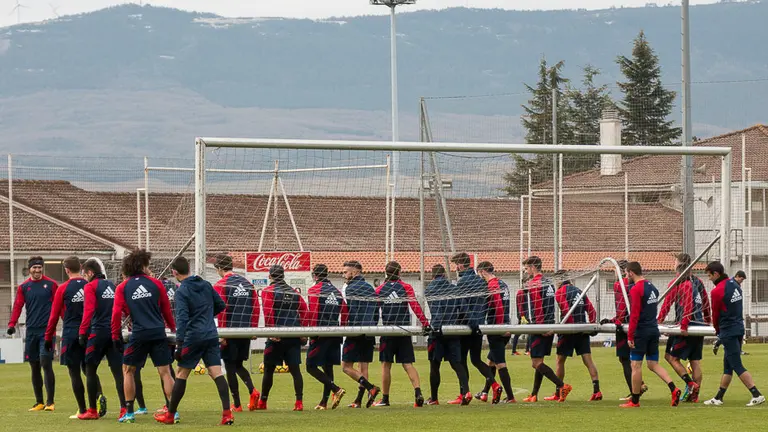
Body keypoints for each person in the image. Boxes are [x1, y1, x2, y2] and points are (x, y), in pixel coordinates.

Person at [154, 257, 234, 425]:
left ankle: (170, 415)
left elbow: (182, 319)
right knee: (216, 373)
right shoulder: (205, 284)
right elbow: (220, 305)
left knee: (181, 374)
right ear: (188, 269)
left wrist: (179, 344)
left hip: (194, 337)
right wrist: (205, 317)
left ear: (175, 272)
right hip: (211, 334)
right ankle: (227, 414)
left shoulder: (182, 291)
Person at [110, 249, 176, 424]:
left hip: (139, 334)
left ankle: (130, 412)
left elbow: (116, 313)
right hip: (158, 332)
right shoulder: (156, 284)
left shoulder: (122, 287)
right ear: (142, 265)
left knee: (128, 371)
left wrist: (115, 335)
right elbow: (166, 310)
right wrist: (173, 329)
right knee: (165, 372)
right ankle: (173, 411)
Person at [703, 262, 764, 407]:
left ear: (716, 274)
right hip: (738, 327)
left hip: (728, 330)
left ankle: (756, 394)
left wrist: (718, 332)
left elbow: (715, 314)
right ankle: (719, 397)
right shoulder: (735, 284)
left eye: (709, 275)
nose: (709, 278)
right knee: (728, 366)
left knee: (736, 364)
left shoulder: (717, 291)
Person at [621, 261, 681, 408]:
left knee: (635, 365)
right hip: (654, 330)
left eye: (626, 273)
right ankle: (674, 388)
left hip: (642, 331)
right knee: (653, 364)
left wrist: (630, 335)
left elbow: (634, 314)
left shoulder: (636, 289)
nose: (625, 276)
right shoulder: (652, 287)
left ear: (631, 272)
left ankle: (634, 401)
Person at [372, 261, 431, 408]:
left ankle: (385, 399)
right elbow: (415, 306)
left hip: (387, 331)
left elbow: (374, 311)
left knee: (386, 365)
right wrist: (425, 323)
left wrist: (371, 328)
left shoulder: (379, 290)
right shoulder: (406, 287)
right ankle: (418, 392)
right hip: (403, 331)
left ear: (386, 273)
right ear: (399, 273)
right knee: (407, 364)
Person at [657, 253, 710, 403]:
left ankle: (690, 384)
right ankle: (694, 395)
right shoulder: (698, 282)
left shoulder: (677, 283)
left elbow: (667, 304)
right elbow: (706, 302)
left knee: (672, 358)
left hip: (686, 325)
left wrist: (659, 322)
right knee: (694, 361)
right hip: (698, 325)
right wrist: (708, 321)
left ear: (679, 264)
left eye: (675, 262)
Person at [8, 256, 59, 412]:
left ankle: (50, 402)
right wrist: (11, 324)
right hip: (31, 331)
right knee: (34, 366)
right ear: (29, 269)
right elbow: (17, 306)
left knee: (46, 363)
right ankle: (39, 402)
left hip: (47, 331)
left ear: (42, 268)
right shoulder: (24, 287)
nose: (37, 270)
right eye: (34, 267)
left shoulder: (51, 285)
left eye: (39, 267)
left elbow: (59, 306)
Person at [80, 257, 126, 420]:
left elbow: (89, 310)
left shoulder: (90, 287)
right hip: (114, 332)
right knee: (118, 372)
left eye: (85, 274)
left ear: (91, 273)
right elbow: (122, 308)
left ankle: (92, 410)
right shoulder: (113, 286)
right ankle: (124, 409)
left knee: (90, 369)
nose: (84, 278)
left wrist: (82, 332)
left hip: (98, 332)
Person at [257, 265, 309, 411]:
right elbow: (304, 310)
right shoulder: (293, 292)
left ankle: (263, 402)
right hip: (293, 335)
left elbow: (268, 311)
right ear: (283, 276)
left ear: (270, 276)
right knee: (295, 370)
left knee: (268, 369)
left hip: (277, 336)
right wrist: (303, 331)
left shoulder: (268, 291)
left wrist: (272, 331)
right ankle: (299, 402)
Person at [213, 254, 261, 412]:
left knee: (230, 366)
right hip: (245, 330)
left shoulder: (220, 284)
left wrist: (223, 334)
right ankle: (253, 391)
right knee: (239, 364)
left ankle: (238, 404)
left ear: (219, 268)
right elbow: (256, 307)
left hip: (231, 331)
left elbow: (222, 312)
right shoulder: (247, 283)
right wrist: (253, 328)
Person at [520, 256, 572, 403]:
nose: (526, 271)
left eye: (526, 268)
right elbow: (549, 306)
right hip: (548, 325)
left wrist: (541, 327)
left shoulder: (534, 283)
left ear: (533, 267)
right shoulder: (548, 283)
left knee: (535, 363)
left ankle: (562, 386)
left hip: (539, 326)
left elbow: (537, 307)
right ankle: (534, 394)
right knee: (539, 361)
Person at [44, 257, 89, 418]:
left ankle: (82, 410)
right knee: (89, 370)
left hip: (71, 333)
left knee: (74, 371)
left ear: (66, 270)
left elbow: (54, 316)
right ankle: (97, 402)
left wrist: (48, 338)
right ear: (81, 267)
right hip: (89, 332)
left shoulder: (63, 288)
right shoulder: (89, 285)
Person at [450, 253, 498, 403]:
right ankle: (495, 385)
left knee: (461, 361)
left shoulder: (462, 282)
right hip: (478, 326)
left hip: (465, 327)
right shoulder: (480, 281)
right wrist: (478, 322)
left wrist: (464, 322)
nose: (456, 268)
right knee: (476, 359)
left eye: (456, 264)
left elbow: (462, 306)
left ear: (461, 265)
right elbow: (484, 303)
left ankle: (465, 393)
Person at [600, 260, 646, 400]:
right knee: (639, 360)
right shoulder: (640, 284)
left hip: (626, 326)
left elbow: (622, 308)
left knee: (624, 359)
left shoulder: (619, 284)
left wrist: (617, 321)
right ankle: (640, 385)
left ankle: (634, 392)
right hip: (641, 324)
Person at [425, 264, 469, 405]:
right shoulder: (454, 289)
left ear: (432, 276)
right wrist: (459, 323)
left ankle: (434, 398)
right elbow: (463, 310)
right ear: (444, 274)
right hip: (453, 330)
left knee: (434, 365)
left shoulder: (429, 289)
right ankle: (465, 392)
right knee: (457, 364)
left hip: (437, 331)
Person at [339, 260, 381, 408]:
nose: (344, 274)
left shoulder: (350, 288)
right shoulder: (370, 288)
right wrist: (372, 326)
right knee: (364, 368)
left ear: (355, 272)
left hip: (356, 331)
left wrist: (349, 327)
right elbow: (376, 311)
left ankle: (371, 388)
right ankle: (359, 400)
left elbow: (351, 310)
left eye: (345, 272)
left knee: (346, 367)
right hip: (369, 331)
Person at [552, 273, 601, 402]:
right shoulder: (579, 291)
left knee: (560, 360)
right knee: (588, 361)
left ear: (559, 281)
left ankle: (558, 391)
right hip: (583, 329)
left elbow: (566, 310)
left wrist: (567, 328)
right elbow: (591, 310)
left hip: (569, 330)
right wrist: (591, 326)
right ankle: (597, 391)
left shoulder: (559, 292)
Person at [305, 264, 348, 410]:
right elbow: (345, 311)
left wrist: (313, 333)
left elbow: (314, 312)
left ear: (315, 276)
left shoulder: (314, 290)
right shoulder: (336, 291)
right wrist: (342, 328)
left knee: (310, 366)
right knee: (327, 367)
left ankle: (335, 389)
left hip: (321, 333)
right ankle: (324, 402)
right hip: (334, 333)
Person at [476, 261, 516, 404]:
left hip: (497, 328)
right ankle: (485, 392)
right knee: (491, 362)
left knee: (500, 364)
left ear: (482, 271)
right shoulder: (503, 284)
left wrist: (500, 327)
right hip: (504, 324)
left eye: (479, 273)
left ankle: (510, 397)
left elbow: (498, 306)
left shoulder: (492, 285)